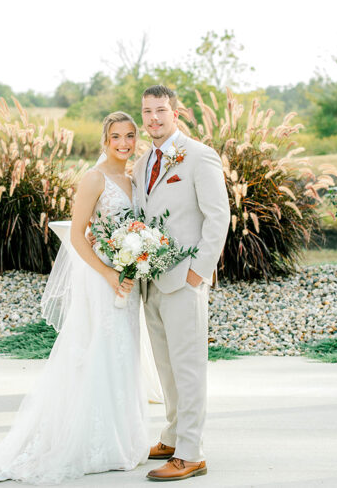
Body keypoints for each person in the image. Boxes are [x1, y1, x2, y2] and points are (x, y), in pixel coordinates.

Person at [0, 111, 150, 485]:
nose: (124, 143)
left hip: (126, 280)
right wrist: (108, 273)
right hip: (102, 279)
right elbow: (78, 236)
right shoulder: (94, 178)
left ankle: (119, 440)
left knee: (123, 354)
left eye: (130, 136)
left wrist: (134, 261)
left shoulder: (134, 179)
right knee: (100, 352)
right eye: (116, 136)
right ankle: (91, 442)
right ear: (105, 141)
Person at [134, 85, 230, 482]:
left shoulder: (199, 155)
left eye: (161, 110)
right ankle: (173, 436)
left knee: (188, 368)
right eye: (147, 111)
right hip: (152, 281)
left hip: (184, 281)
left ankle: (191, 453)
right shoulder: (143, 162)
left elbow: (218, 216)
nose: (153, 118)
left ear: (176, 113)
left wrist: (198, 272)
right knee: (166, 367)